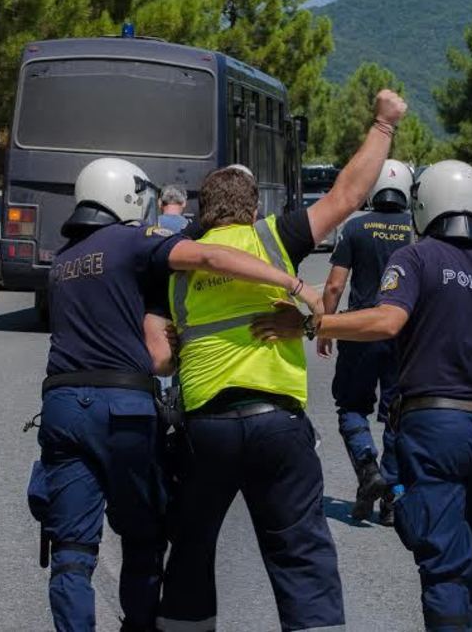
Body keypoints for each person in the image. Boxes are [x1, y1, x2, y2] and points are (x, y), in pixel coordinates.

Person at [24, 157, 322, 632]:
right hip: (121, 406)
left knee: (71, 551)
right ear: (127, 197)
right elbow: (205, 258)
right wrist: (293, 283)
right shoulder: (132, 241)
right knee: (144, 537)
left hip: (60, 407)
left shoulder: (62, 262)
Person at [259, 159, 472, 631]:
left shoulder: (416, 258)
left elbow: (388, 321)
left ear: (426, 206)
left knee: (442, 566)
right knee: (471, 563)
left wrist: (315, 323)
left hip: (437, 429)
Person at [156, 90, 408, 632]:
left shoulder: (179, 271)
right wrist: (384, 126)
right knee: (300, 552)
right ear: (253, 210)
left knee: (191, 549)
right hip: (277, 423)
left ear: (203, 212)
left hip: (207, 426)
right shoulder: (274, 238)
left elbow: (160, 352)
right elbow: (346, 195)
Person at [316, 158, 414, 525]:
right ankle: (392, 492)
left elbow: (335, 284)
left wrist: (326, 327)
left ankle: (367, 467)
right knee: (397, 414)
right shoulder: (415, 230)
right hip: (403, 334)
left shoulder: (355, 227)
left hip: (360, 330)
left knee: (351, 406)